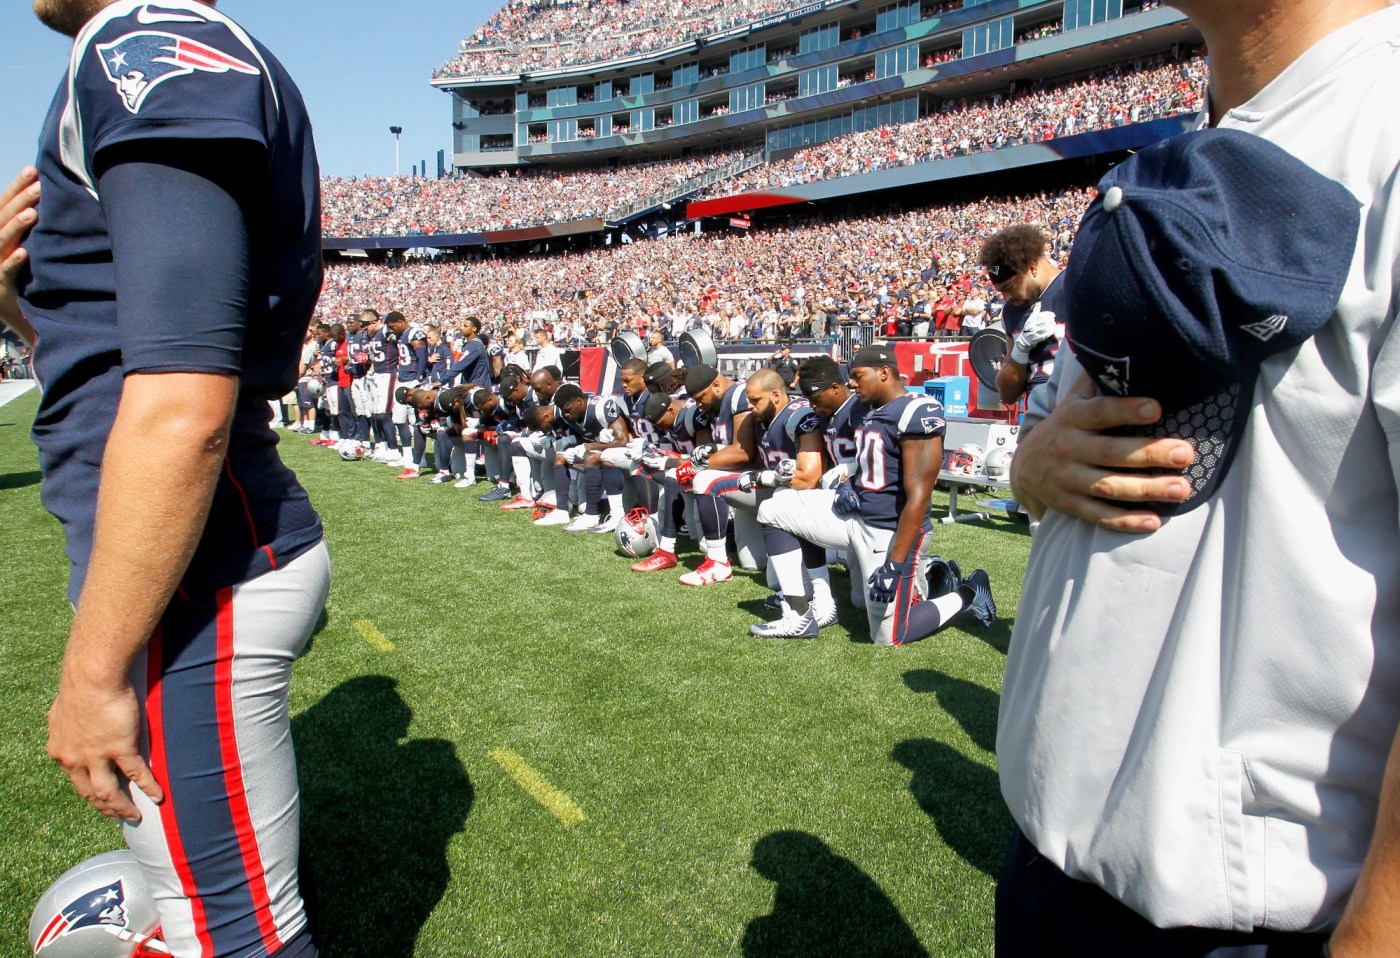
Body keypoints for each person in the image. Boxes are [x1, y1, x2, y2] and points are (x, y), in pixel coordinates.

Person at [995, 2, 1400, 954]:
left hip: (1260, 914)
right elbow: (1067, 446)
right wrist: (1028, 466)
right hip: (1050, 861)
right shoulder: (1188, 148)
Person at [7, 1, 328, 956]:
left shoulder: (139, 35)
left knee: (239, 938)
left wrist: (94, 669)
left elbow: (183, 403)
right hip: (188, 560)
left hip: (196, 577)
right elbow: (114, 359)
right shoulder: (141, 44)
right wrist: (18, 306)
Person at [752, 346, 994, 642]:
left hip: (888, 530)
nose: (851, 383)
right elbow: (874, 467)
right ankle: (799, 614)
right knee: (777, 507)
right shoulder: (870, 411)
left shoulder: (916, 410)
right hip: (856, 517)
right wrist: (849, 485)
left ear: (883, 373)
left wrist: (894, 564)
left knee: (890, 635)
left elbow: (919, 496)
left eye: (857, 376)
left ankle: (969, 591)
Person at [978, 225, 1064, 405]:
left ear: (1031, 268)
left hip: (1080, 414)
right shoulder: (1011, 312)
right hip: (1038, 417)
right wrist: (1021, 349)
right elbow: (1007, 395)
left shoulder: (1076, 286)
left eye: (1009, 287)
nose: (1007, 297)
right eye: (1001, 292)